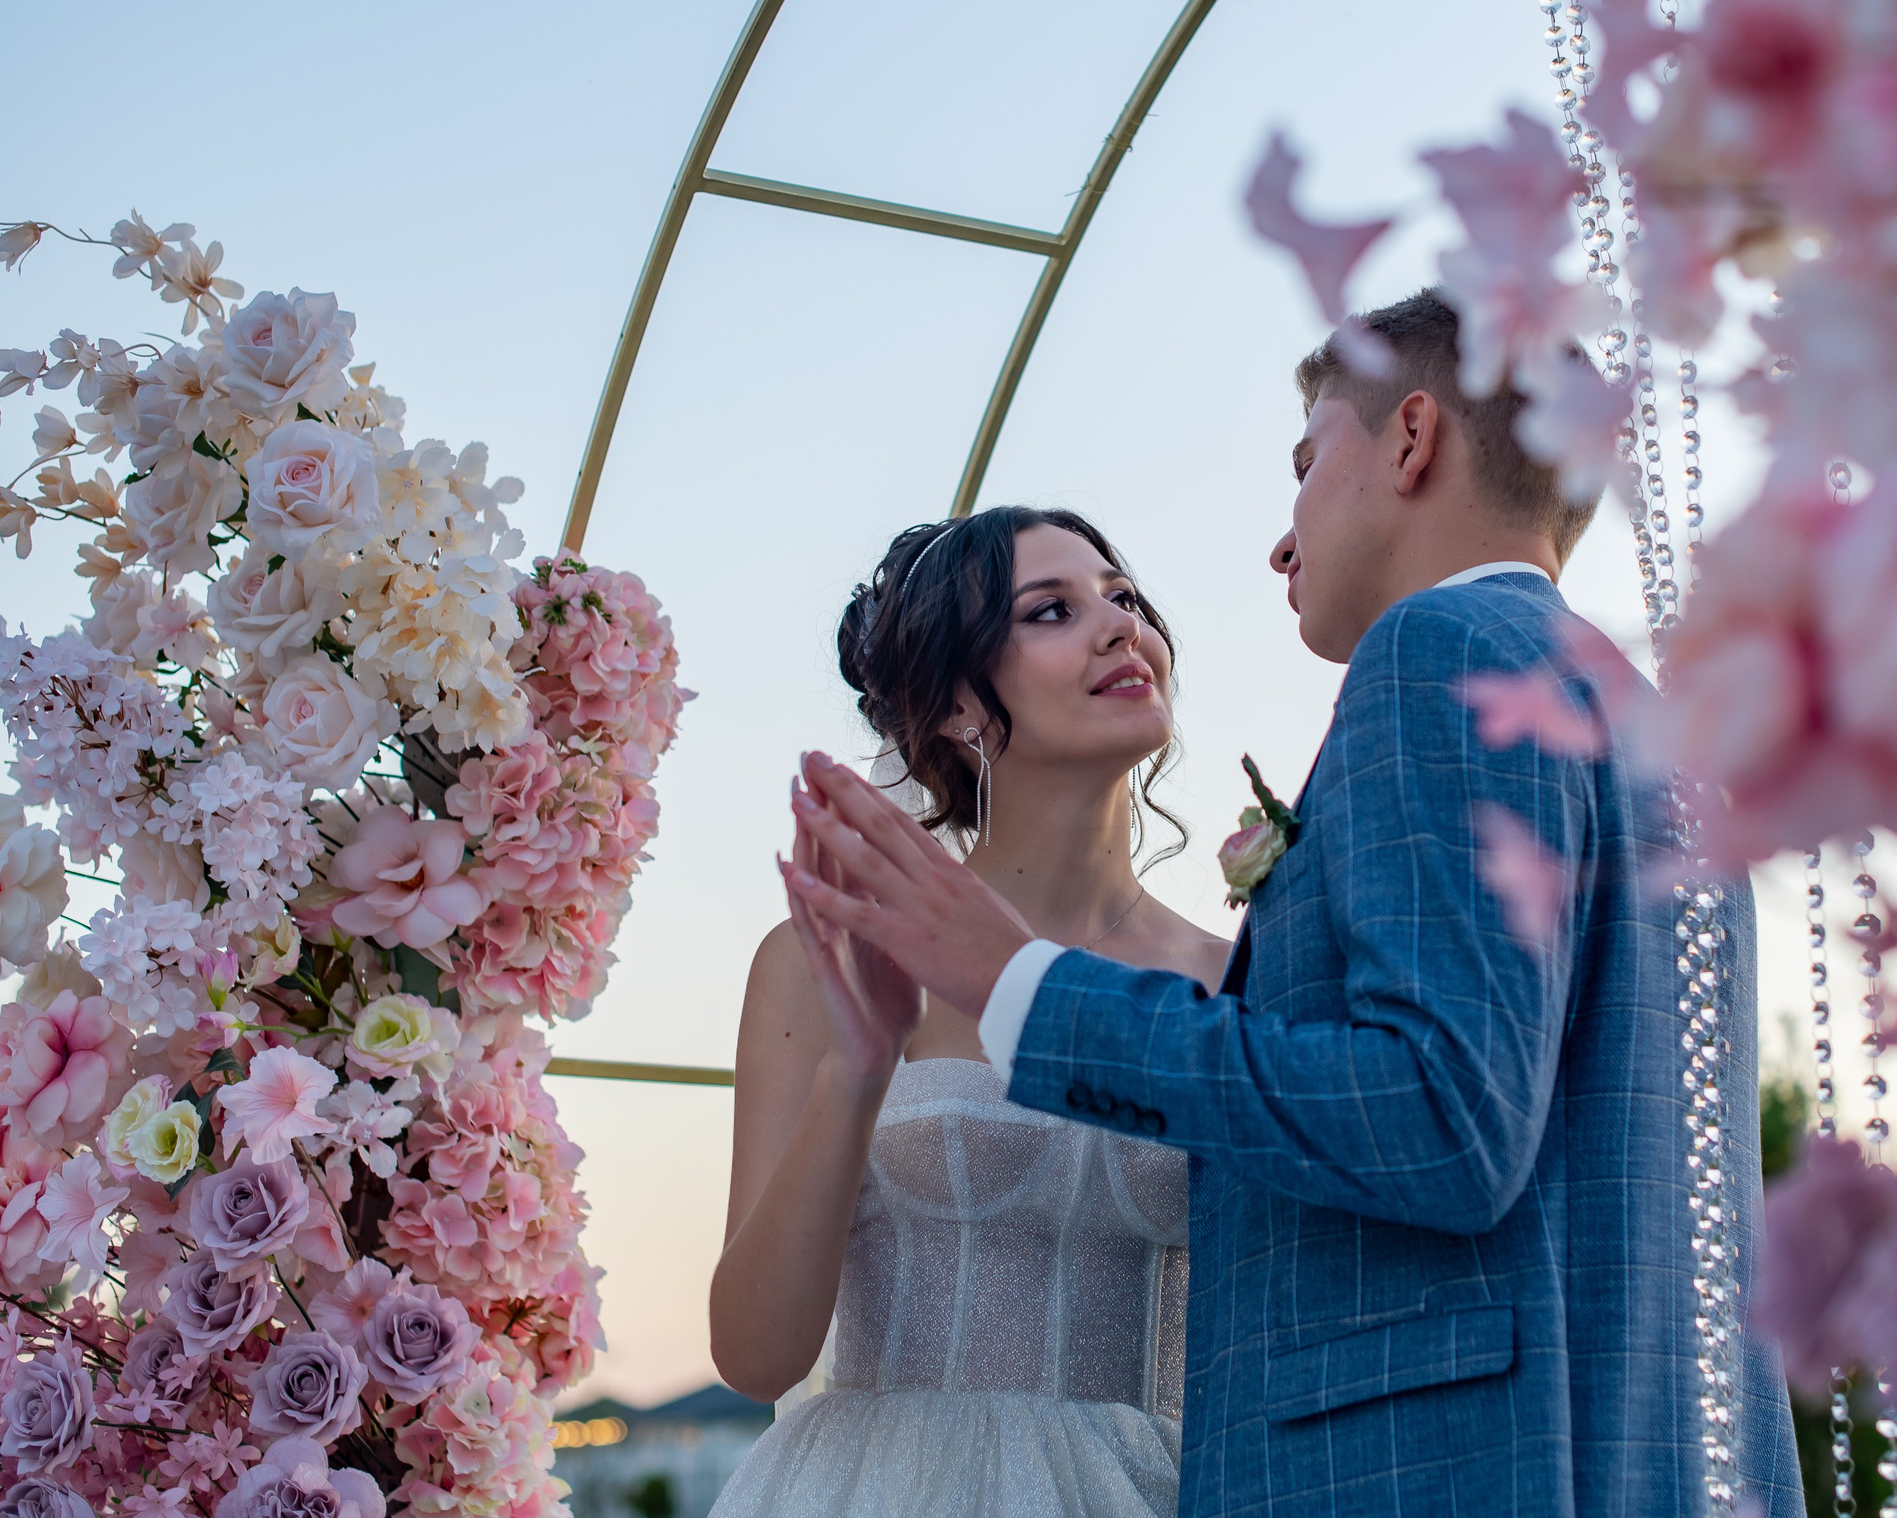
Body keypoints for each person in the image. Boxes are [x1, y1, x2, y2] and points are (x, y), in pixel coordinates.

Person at [787, 289, 1804, 1517]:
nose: (1281, 540)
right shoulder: (1659, 738)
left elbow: (1442, 1115)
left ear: (1412, 437)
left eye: (1306, 462)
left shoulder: (1436, 649)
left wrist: (1023, 991)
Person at [709, 507, 1230, 1518]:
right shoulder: (823, 960)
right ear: (955, 703)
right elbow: (754, 1354)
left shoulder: (1233, 979)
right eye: (1052, 609)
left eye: (1123, 597)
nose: (1121, 627)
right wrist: (856, 1071)